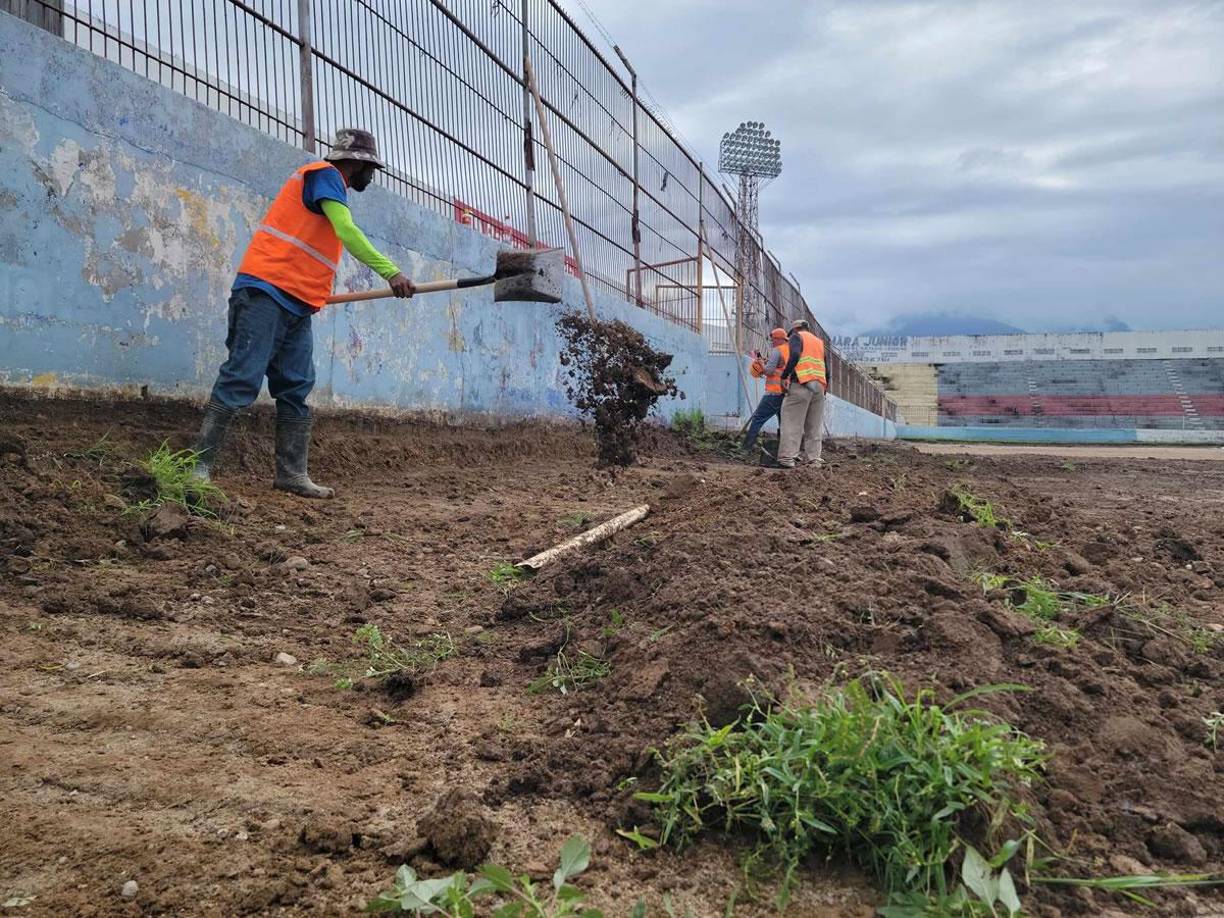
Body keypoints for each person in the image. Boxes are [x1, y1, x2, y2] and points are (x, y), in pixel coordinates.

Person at [190, 128, 415, 498]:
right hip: (266, 292)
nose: (371, 177)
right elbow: (346, 229)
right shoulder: (324, 176)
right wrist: (391, 272)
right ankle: (196, 468)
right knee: (241, 378)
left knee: (296, 387)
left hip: (297, 304)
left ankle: (291, 474)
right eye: (370, 168)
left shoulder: (329, 187)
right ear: (356, 164)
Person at [776, 318, 828, 469]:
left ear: (795, 329)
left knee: (792, 422)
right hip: (819, 386)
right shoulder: (818, 342)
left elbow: (795, 355)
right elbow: (827, 368)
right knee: (814, 426)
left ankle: (787, 458)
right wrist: (825, 388)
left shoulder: (796, 337)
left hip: (802, 384)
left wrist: (785, 375)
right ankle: (814, 459)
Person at [743, 327, 789, 454]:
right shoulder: (790, 351)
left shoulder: (777, 350)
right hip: (786, 393)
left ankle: (746, 447)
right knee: (784, 423)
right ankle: (784, 450)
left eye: (773, 340)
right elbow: (781, 368)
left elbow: (768, 371)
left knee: (758, 418)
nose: (772, 342)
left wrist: (761, 365)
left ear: (778, 339)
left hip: (773, 392)